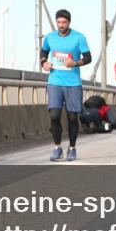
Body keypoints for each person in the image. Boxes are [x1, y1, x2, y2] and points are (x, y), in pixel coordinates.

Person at [40, 9, 91, 162]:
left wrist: (75, 62)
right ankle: (57, 148)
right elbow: (43, 53)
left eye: (64, 22)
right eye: (59, 22)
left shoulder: (78, 38)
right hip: (55, 81)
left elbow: (88, 58)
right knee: (54, 116)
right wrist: (44, 63)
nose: (61, 25)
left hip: (73, 83)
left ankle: (72, 148)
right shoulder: (50, 38)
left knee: (72, 118)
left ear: (69, 22)